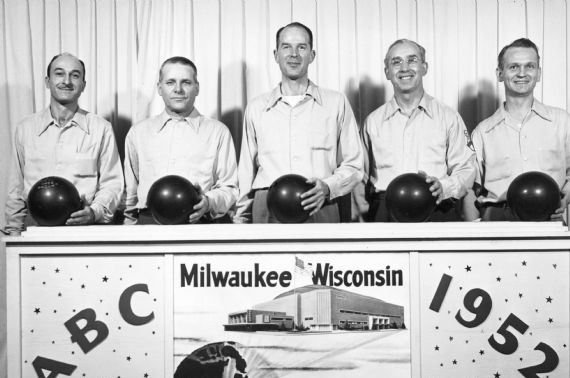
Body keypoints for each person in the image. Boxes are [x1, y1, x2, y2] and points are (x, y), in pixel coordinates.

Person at [235, 22, 363, 223]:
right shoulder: (256, 107)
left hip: (319, 204)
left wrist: (328, 188)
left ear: (312, 55)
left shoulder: (336, 102)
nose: (293, 54)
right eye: (286, 47)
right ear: (276, 55)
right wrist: (241, 218)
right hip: (267, 207)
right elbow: (246, 170)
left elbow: (354, 165)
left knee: (321, 257)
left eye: (301, 47)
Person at [465, 38, 570, 221]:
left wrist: (564, 199)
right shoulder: (482, 132)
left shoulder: (562, 122)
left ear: (538, 73)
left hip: (548, 220)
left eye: (529, 66)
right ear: (500, 73)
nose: (522, 73)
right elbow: (469, 190)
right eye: (513, 67)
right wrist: (473, 234)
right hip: (497, 222)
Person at [4, 53, 124, 234]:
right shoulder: (25, 129)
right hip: (36, 234)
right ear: (47, 81)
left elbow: (112, 184)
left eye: (75, 75)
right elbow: (16, 188)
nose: (67, 81)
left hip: (85, 234)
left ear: (83, 85)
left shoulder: (101, 129)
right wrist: (13, 235)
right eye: (59, 74)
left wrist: (94, 212)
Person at [361, 39, 476, 222]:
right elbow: (362, 179)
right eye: (396, 62)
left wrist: (443, 187)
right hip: (387, 214)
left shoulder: (449, 117)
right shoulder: (373, 122)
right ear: (387, 72)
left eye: (412, 60)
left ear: (425, 67)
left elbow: (466, 169)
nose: (404, 68)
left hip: (438, 209)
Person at [124, 56, 238, 224]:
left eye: (186, 82)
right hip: (149, 223)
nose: (178, 89)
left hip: (198, 223)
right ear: (159, 88)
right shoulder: (138, 133)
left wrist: (208, 202)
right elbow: (130, 193)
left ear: (197, 88)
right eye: (170, 82)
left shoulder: (218, 132)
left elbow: (229, 188)